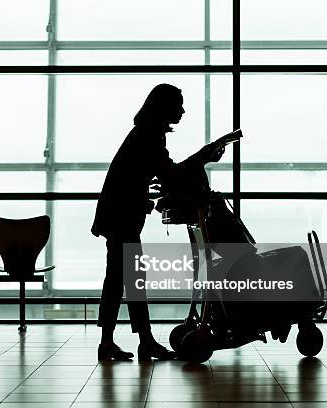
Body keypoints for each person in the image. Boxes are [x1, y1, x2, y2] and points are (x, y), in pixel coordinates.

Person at [92, 83, 226, 361]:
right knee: (126, 279)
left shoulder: (144, 133)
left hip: (118, 215)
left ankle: (129, 341)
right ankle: (136, 341)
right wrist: (203, 157)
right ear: (164, 107)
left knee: (123, 279)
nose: (182, 110)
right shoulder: (150, 135)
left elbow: (158, 172)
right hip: (122, 217)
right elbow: (171, 174)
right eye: (178, 105)